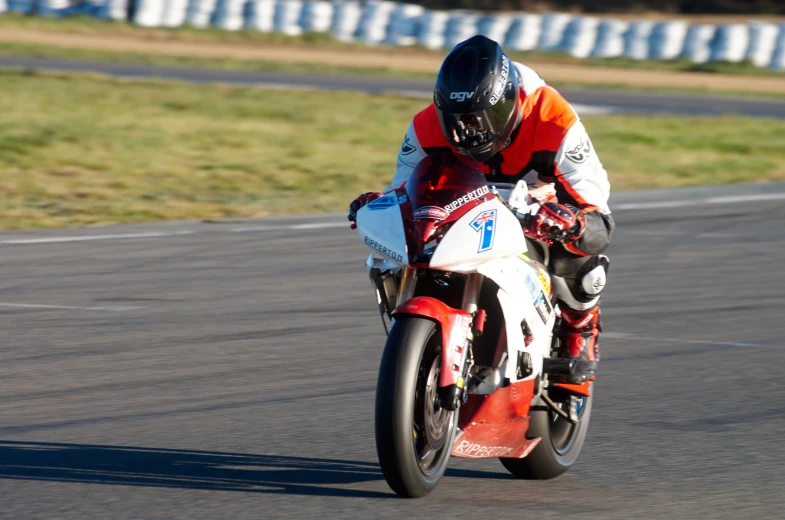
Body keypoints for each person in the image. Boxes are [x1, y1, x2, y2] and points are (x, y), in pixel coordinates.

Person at [348, 35, 613, 384]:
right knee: (408, 246)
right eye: (456, 119)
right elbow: (404, 187)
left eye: (485, 117)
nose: (468, 132)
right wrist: (379, 202)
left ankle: (581, 324)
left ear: (510, 100)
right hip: (461, 206)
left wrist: (573, 221)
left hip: (534, 208)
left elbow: (596, 209)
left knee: (586, 259)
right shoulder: (427, 124)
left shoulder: (553, 118)